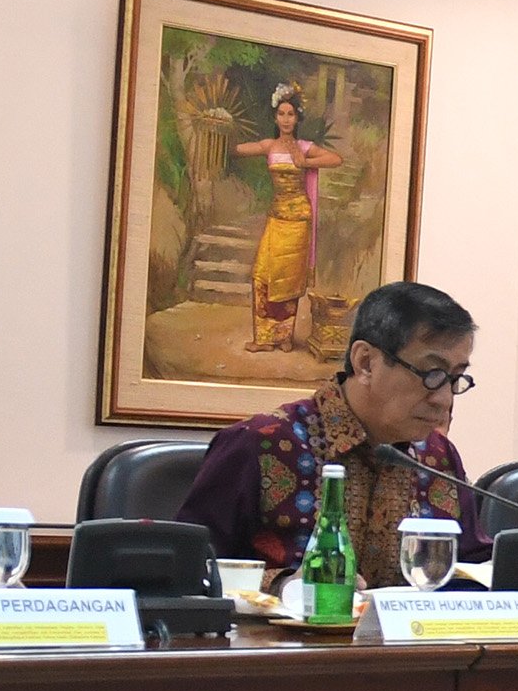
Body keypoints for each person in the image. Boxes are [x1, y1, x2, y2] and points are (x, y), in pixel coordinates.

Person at [178, 281, 489, 584]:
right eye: (432, 374)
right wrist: (280, 585)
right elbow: (187, 569)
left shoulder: (438, 458)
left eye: (456, 377)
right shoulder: (261, 445)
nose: (444, 399)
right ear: (365, 362)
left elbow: (473, 569)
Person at [234, 84, 344, 356]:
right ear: (275, 118)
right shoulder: (268, 146)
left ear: (297, 119)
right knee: (262, 274)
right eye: (281, 114)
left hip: (298, 219)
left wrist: (305, 163)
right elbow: (237, 148)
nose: (285, 119)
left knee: (289, 279)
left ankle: (284, 338)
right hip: (277, 217)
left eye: (290, 114)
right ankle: (263, 338)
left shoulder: (305, 147)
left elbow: (337, 159)